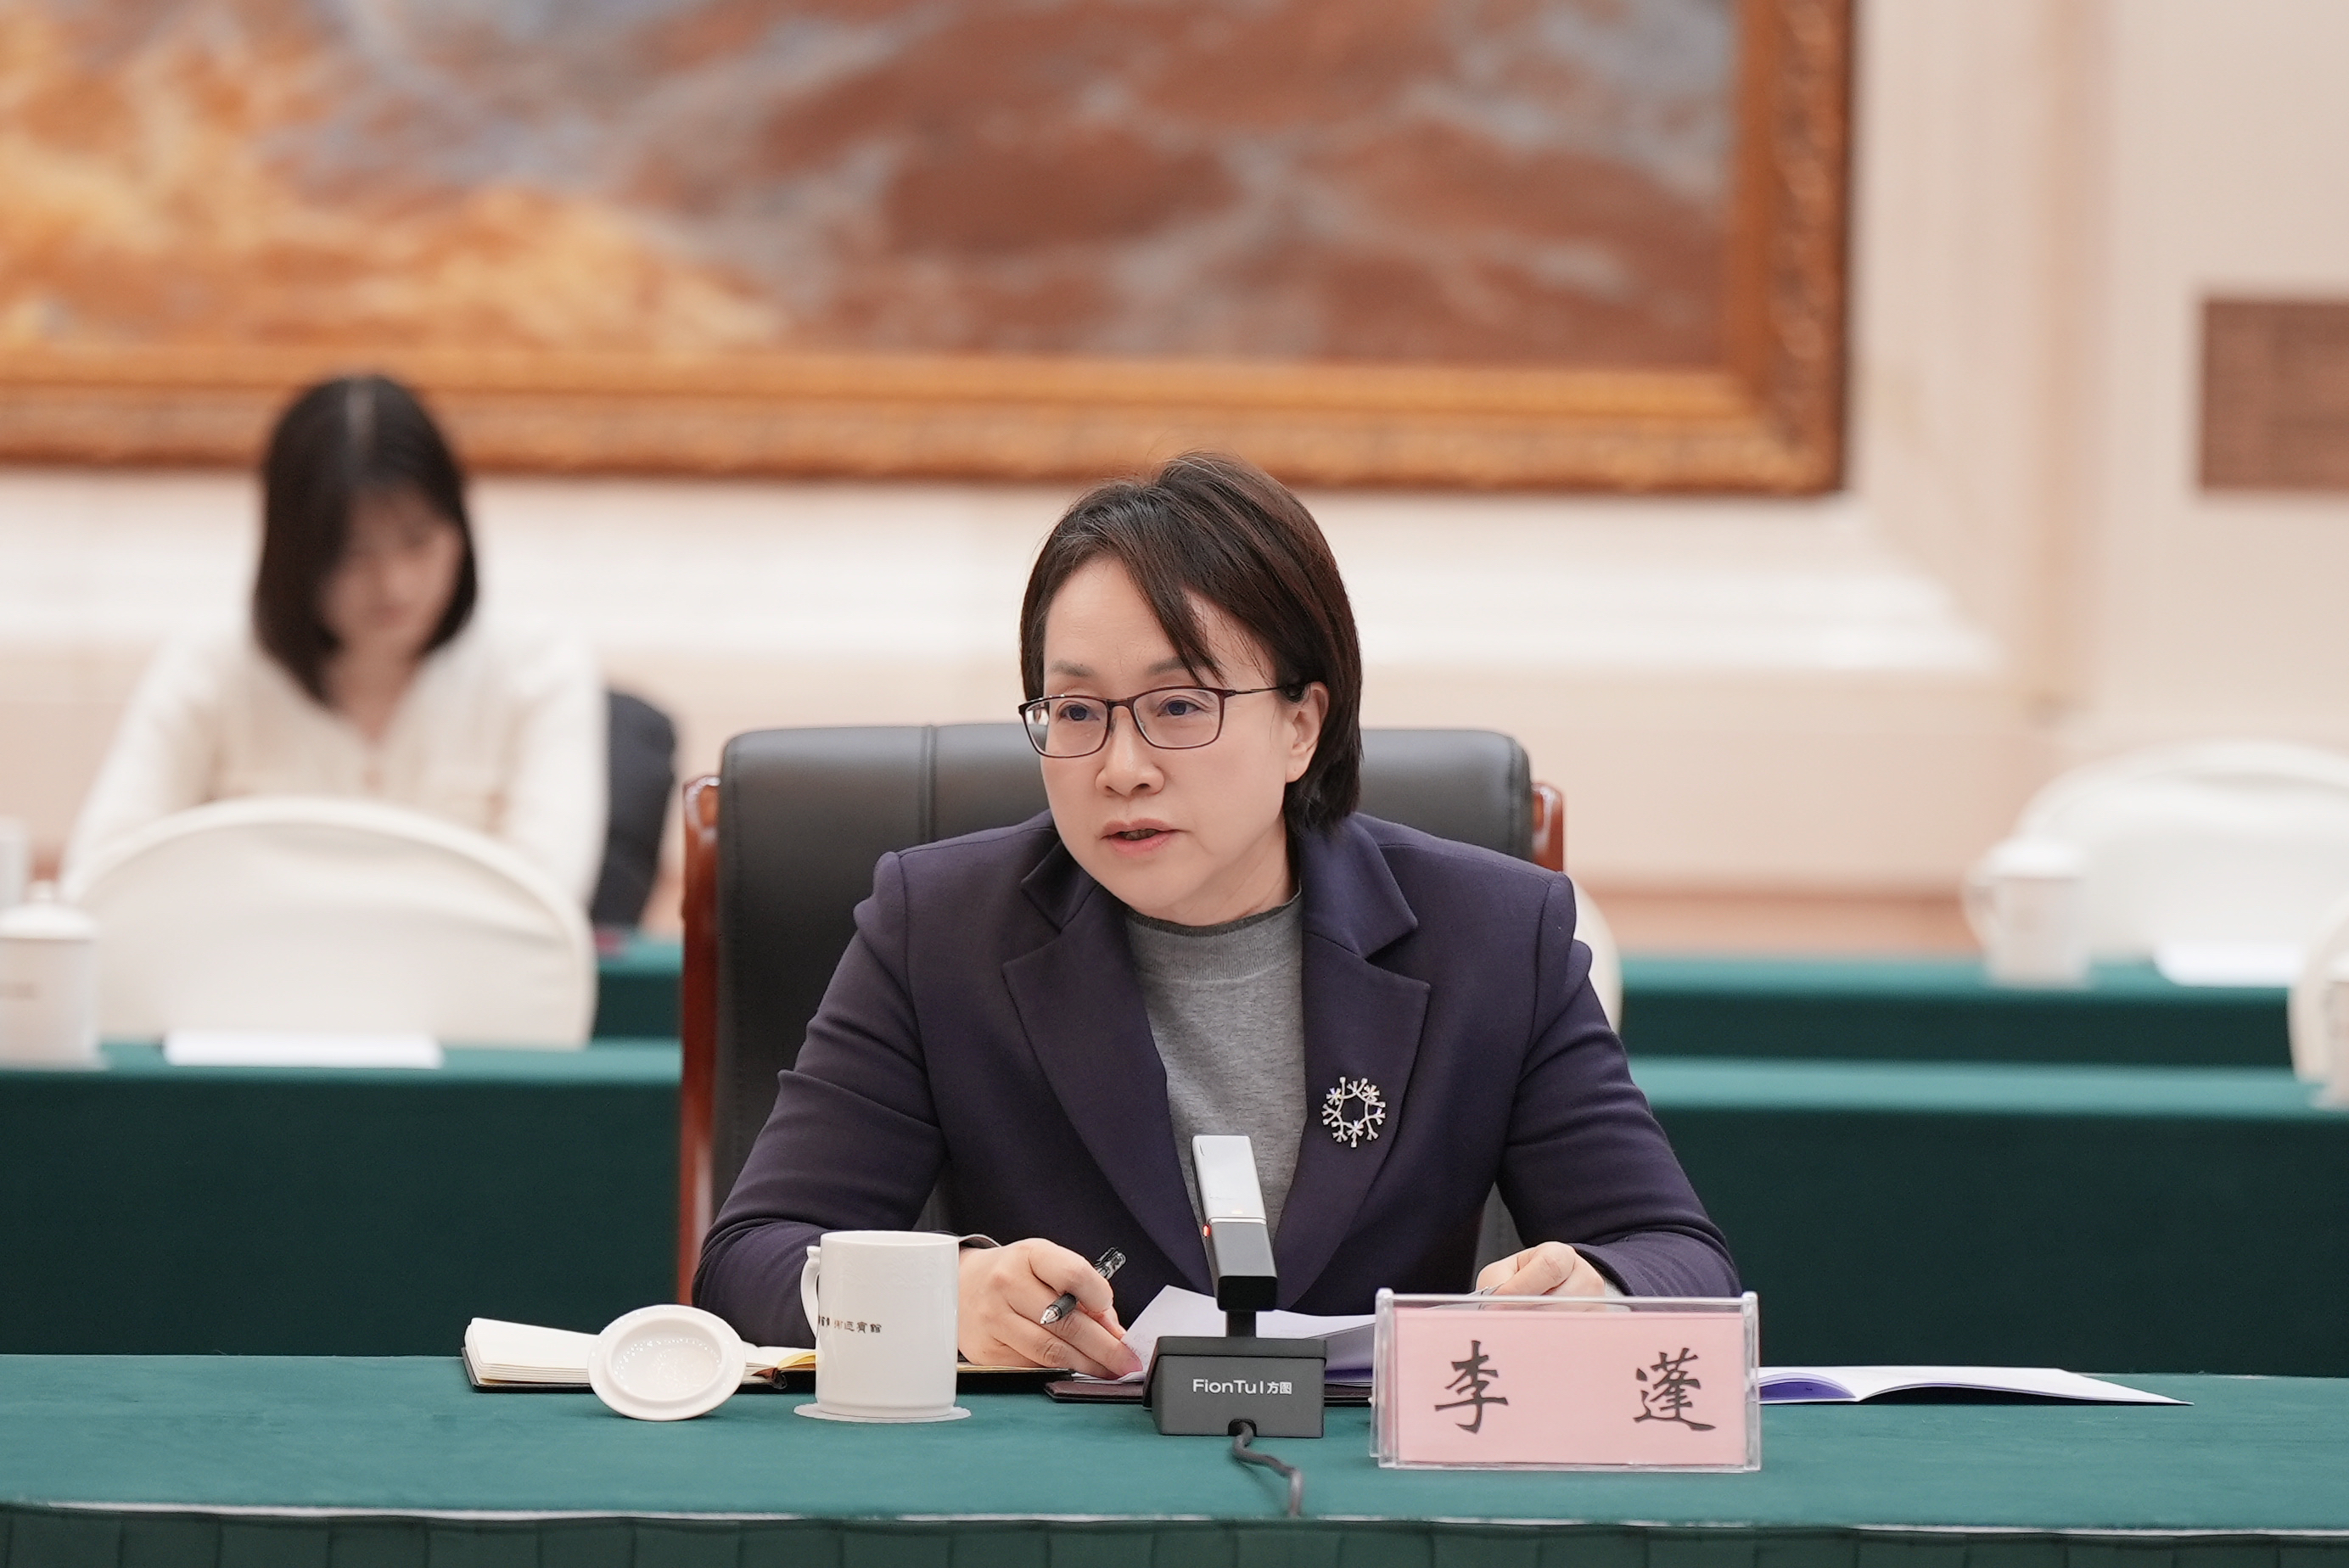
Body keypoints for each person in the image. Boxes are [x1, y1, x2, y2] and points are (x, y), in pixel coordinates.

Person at [696, 453, 1735, 1375]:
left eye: (1179, 707)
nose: (1121, 767)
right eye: (1076, 711)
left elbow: (1678, 1260)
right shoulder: (939, 929)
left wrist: (1596, 1291)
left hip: (1360, 1485)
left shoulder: (1492, 936)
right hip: (1062, 1485)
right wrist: (942, 1296)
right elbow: (750, 1262)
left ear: (1299, 726)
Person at [65, 375, 606, 904]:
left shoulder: (536, 668)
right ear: (293, 553)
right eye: (353, 552)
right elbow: (100, 873)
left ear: (460, 528)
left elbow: (546, 899)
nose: (394, 583)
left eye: (418, 540)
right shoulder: (212, 665)